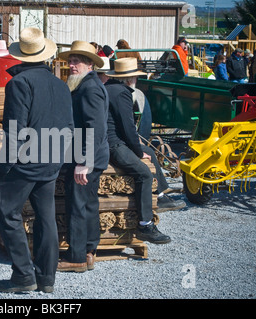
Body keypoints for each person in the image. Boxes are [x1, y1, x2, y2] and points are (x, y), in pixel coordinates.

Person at [0, 27, 74, 293]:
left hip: (26, 162)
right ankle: (46, 279)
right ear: (44, 55)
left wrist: (4, 167)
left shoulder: (18, 83)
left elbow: (14, 129)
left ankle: (23, 277)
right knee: (45, 217)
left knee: (8, 213)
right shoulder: (61, 85)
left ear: (20, 57)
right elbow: (70, 127)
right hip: (52, 160)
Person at [104, 58, 186, 244]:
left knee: (148, 148)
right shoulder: (122, 93)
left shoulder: (111, 88)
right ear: (130, 78)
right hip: (114, 144)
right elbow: (128, 127)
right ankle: (145, 225)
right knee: (144, 174)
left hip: (113, 141)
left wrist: (141, 149)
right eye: (135, 76)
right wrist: (138, 153)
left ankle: (161, 195)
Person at [56, 40, 109, 272]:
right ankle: (89, 250)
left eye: (76, 61)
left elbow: (94, 127)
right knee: (88, 204)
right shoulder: (86, 85)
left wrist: (83, 162)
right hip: (89, 156)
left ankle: (76, 257)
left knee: (78, 205)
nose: (71, 64)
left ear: (90, 64)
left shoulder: (90, 88)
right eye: (70, 60)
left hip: (87, 158)